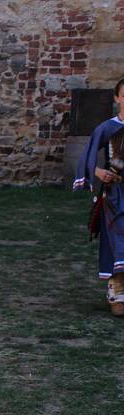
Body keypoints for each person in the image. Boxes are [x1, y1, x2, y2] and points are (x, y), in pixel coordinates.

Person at [74, 78, 124, 315]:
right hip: (116, 195)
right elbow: (88, 157)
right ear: (117, 98)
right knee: (118, 241)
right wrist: (99, 172)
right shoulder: (107, 128)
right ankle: (117, 293)